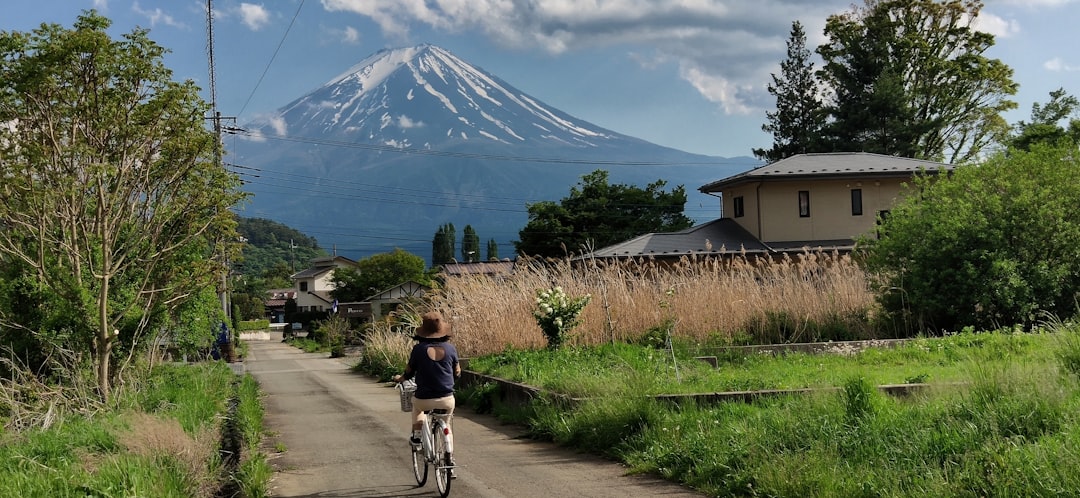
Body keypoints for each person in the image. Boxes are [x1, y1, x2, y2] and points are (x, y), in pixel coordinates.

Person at [393, 311, 461, 476]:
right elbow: (457, 373)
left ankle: (417, 436)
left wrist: (400, 378)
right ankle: (449, 458)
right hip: (446, 398)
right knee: (447, 425)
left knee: (418, 409)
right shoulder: (451, 349)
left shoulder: (418, 349)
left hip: (424, 398)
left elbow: (408, 373)